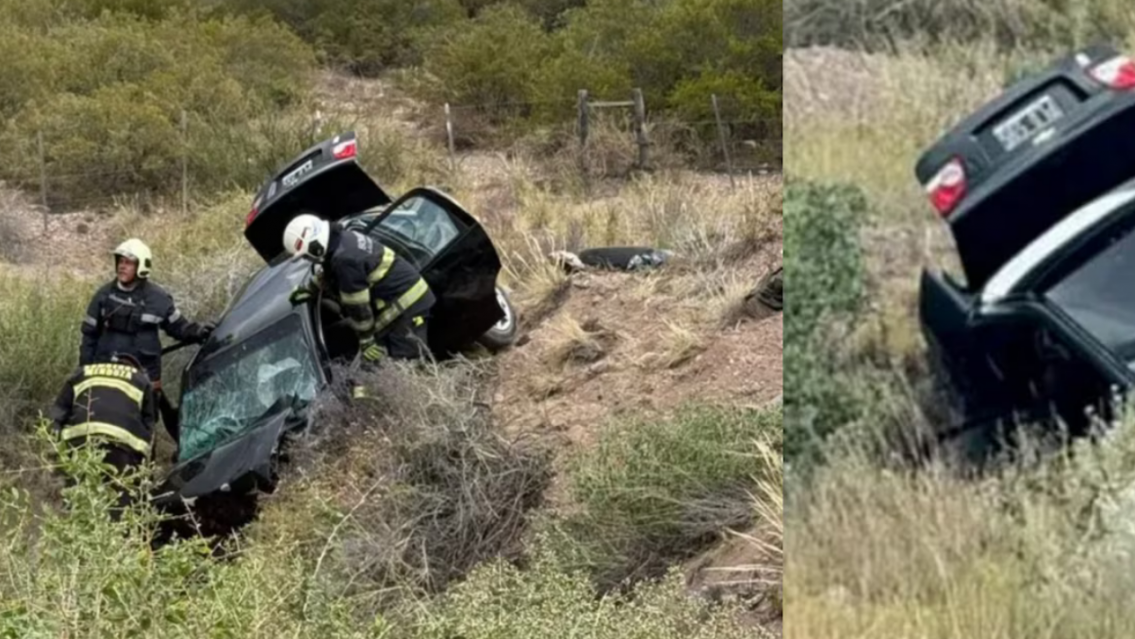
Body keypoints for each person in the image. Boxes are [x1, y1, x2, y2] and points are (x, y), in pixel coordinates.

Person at [282, 214, 435, 396]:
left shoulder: (345, 259)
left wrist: (366, 341)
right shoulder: (341, 241)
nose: (308, 260)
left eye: (307, 256)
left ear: (314, 245)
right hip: (395, 302)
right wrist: (311, 288)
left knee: (405, 366)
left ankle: (421, 398)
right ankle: (373, 398)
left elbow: (358, 307)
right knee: (372, 371)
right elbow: (331, 270)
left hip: (409, 304)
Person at [79, 238, 214, 440]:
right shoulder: (103, 296)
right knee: (102, 422)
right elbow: (88, 336)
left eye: (128, 262)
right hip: (106, 375)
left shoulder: (158, 299)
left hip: (144, 378)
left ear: (142, 266)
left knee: (143, 427)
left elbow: (179, 327)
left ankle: (147, 456)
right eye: (120, 261)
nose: (122, 266)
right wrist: (85, 372)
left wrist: (198, 332)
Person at [49, 352, 157, 520]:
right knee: (118, 501)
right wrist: (146, 476)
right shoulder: (141, 380)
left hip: (80, 441)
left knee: (75, 495)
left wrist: (57, 456)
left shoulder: (83, 372)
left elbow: (56, 416)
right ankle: (114, 529)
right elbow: (150, 429)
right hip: (120, 446)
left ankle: (73, 525)